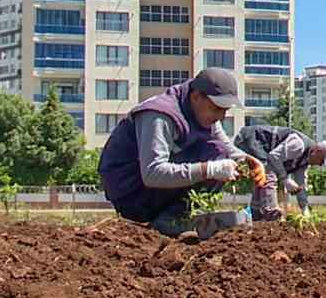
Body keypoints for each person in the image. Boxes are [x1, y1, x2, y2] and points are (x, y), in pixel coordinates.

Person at [99, 67, 260, 241]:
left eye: (225, 110)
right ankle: (168, 221)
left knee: (219, 152)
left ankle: (172, 218)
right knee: (215, 156)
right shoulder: (160, 115)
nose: (220, 116)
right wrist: (209, 169)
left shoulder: (200, 112)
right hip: (130, 191)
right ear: (196, 97)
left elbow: (226, 147)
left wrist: (247, 160)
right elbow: (152, 173)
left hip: (148, 190)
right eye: (216, 108)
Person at [233, 123, 326, 221]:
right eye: (321, 160)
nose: (319, 164)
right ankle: (271, 213)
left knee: (262, 175)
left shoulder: (304, 162)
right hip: (250, 140)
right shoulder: (298, 145)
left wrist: (304, 209)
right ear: (317, 151)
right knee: (269, 173)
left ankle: (255, 212)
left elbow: (301, 184)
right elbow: (273, 157)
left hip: (261, 150)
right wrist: (285, 179)